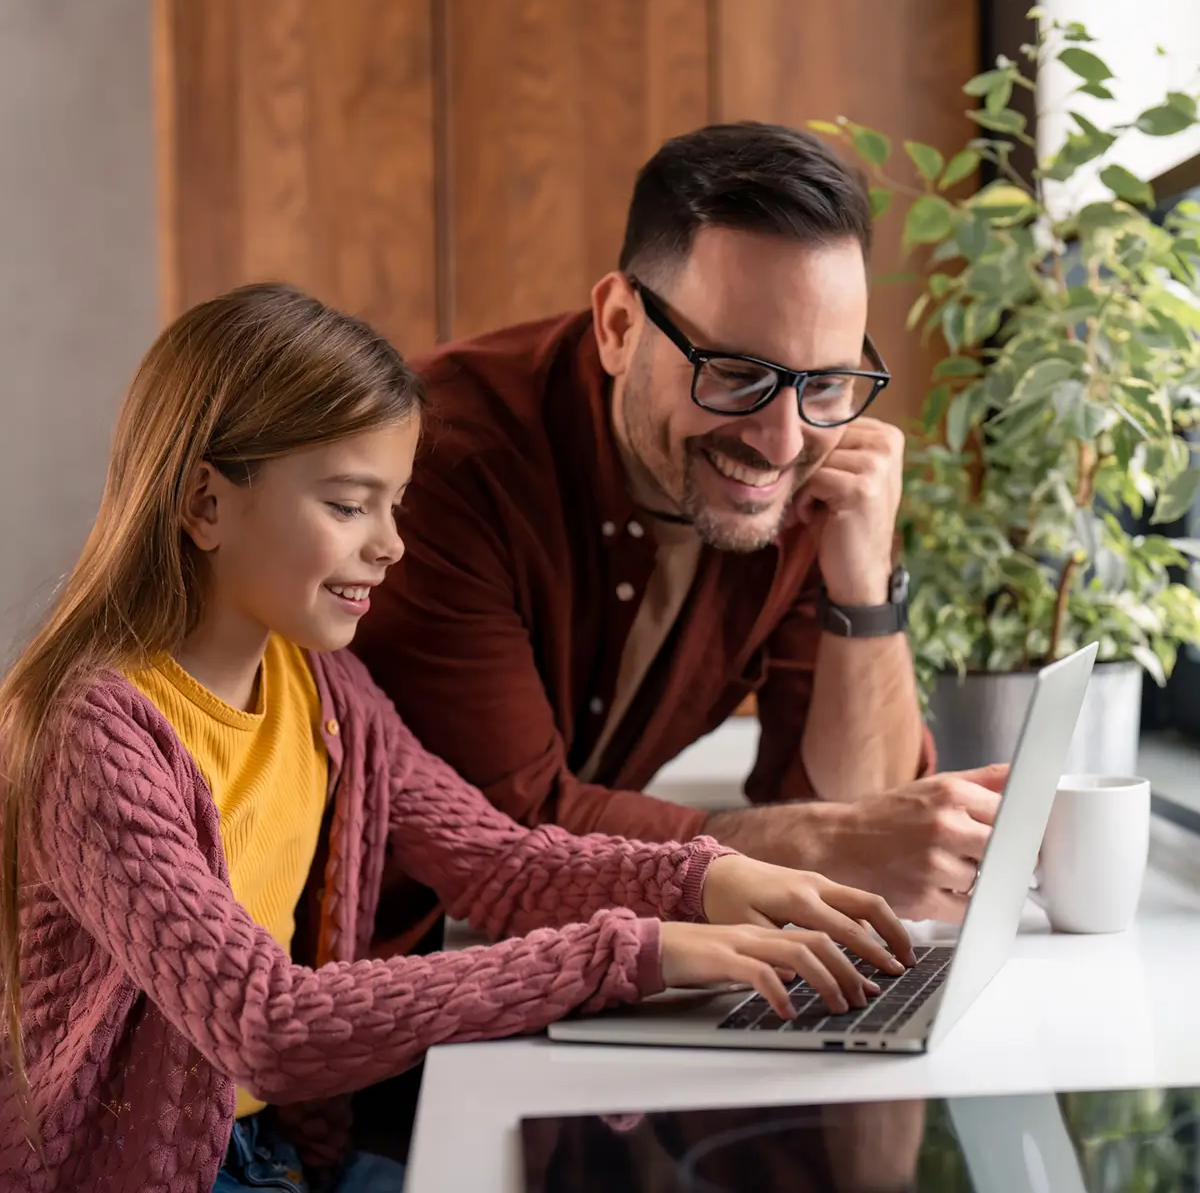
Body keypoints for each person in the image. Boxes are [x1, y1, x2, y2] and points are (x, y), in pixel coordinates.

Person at [0, 284, 915, 1193]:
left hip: (278, 1158)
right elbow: (266, 1023)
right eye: (350, 505)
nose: (392, 544)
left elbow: (503, 864)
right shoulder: (95, 734)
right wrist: (623, 952)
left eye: (396, 503)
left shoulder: (326, 691)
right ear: (205, 503)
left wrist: (703, 878)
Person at [350, 121, 1007, 930]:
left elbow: (859, 819)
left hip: (549, 940)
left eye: (828, 382)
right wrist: (825, 847)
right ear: (620, 326)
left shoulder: (813, 473)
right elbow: (504, 836)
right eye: (735, 374)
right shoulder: (445, 458)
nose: (783, 441)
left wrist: (865, 591)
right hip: (361, 954)